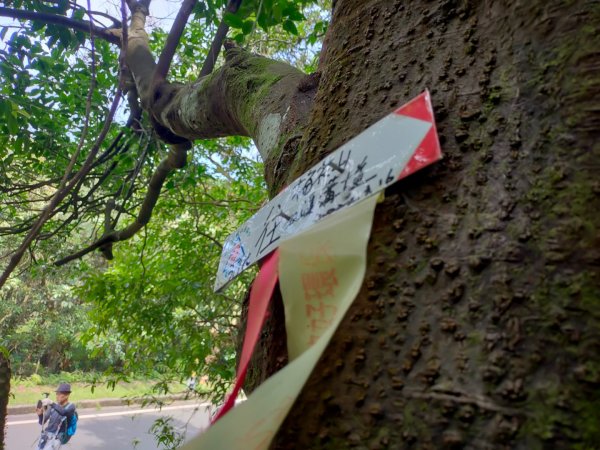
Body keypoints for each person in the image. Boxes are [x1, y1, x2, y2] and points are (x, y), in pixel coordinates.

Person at [36, 383, 77, 449]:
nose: (57, 396)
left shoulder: (71, 407)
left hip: (57, 438)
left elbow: (63, 412)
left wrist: (52, 403)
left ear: (67, 395)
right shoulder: (53, 407)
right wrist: (40, 415)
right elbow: (42, 422)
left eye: (59, 394)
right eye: (56, 394)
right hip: (46, 436)